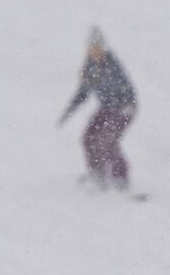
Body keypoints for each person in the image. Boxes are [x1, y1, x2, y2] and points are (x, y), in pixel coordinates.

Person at [58, 27, 138, 190]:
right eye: (93, 49)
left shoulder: (113, 65)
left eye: (99, 48)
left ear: (104, 48)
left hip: (123, 109)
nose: (96, 52)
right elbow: (83, 93)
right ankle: (97, 173)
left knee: (107, 141)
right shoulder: (89, 67)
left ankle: (120, 178)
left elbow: (127, 89)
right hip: (107, 108)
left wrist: (127, 106)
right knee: (88, 138)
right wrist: (69, 111)